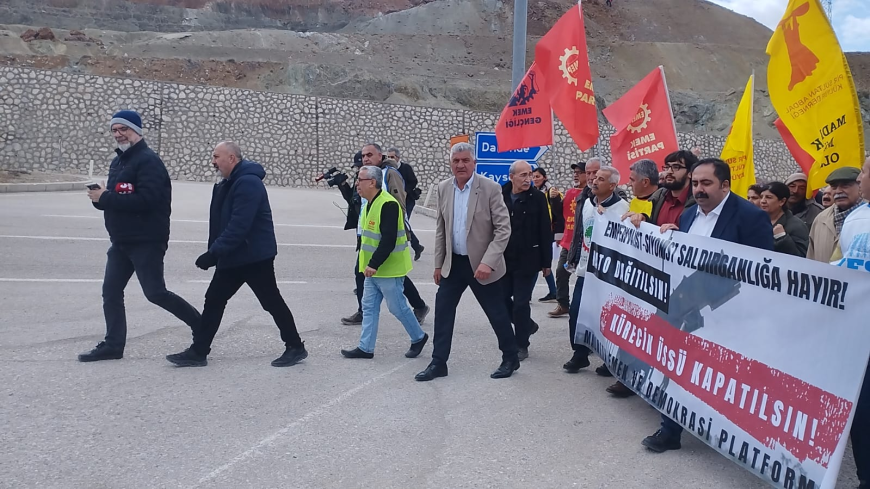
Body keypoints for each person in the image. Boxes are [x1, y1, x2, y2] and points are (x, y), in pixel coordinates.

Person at [643, 158, 773, 453]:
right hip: (688, 307)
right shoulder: (689, 215)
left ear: (725, 185)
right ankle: (669, 429)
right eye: (695, 183)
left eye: (706, 183)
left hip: (728, 312)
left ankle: (725, 432)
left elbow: (763, 270)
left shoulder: (750, 217)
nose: (699, 189)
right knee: (677, 364)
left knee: (720, 374)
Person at [165, 142, 307, 367]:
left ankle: (296, 347)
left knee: (271, 301)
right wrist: (217, 251)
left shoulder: (248, 183)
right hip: (234, 255)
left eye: (216, 157)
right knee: (214, 299)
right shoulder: (229, 182)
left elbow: (239, 225)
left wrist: (213, 253)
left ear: (232, 158)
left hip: (254, 257)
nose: (213, 161)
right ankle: (198, 351)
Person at [79, 110, 201, 362]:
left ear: (137, 130)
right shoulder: (118, 162)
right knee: (111, 292)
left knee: (155, 293)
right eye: (114, 130)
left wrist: (107, 197)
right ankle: (113, 345)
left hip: (146, 240)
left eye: (123, 129)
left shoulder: (148, 161)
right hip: (121, 242)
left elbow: (148, 200)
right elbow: (117, 200)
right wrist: (99, 198)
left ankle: (202, 327)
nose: (118, 134)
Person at [415, 142, 520, 381]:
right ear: (450, 163)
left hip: (482, 265)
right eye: (456, 161)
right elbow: (441, 229)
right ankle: (438, 362)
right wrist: (438, 264)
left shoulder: (490, 188)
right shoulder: (444, 188)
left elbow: (503, 229)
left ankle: (510, 358)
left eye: (465, 160)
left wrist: (488, 262)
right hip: (454, 264)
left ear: (474, 163)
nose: (460, 165)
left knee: (497, 313)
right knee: (443, 312)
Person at [340, 165, 429, 359]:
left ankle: (418, 337)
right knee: (369, 307)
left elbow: (388, 240)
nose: (357, 184)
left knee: (398, 308)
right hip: (371, 269)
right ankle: (365, 348)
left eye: (360, 180)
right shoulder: (369, 203)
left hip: (389, 269)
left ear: (372, 182)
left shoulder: (388, 204)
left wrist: (374, 264)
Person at [562, 165, 629, 373]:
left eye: (600, 179)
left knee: (607, 317)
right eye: (594, 177)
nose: (594, 181)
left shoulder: (622, 208)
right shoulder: (587, 203)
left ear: (612, 185)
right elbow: (580, 233)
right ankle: (580, 354)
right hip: (585, 270)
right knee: (577, 312)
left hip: (608, 274)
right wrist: (574, 257)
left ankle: (609, 360)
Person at [833, 157, 870, 489]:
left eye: (864, 173)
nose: (860, 179)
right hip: (860, 335)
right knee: (863, 413)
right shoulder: (856, 219)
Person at [502, 160, 552, 361]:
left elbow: (545, 230)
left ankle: (521, 343)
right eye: (523, 175)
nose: (528, 179)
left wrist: (546, 262)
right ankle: (528, 325)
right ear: (511, 177)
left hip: (528, 259)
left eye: (530, 174)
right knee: (500, 299)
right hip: (504, 258)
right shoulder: (501, 194)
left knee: (521, 303)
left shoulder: (537, 198)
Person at [549, 162, 586, 317]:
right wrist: (554, 200)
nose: (575, 175)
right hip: (568, 241)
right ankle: (563, 304)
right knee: (561, 272)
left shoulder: (591, 194)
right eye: (574, 172)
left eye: (579, 172)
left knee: (584, 277)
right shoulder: (570, 192)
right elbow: (560, 214)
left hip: (584, 243)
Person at [807, 167, 864, 262]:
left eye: (845, 185)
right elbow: (810, 257)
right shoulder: (820, 219)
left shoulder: (866, 217)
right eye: (834, 187)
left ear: (860, 186)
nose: (838, 191)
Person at [387, 147, 425, 260]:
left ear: (398, 157)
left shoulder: (405, 168)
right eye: (388, 157)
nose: (390, 159)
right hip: (394, 201)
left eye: (392, 157)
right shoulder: (388, 169)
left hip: (407, 201)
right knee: (400, 224)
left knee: (403, 222)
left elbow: (413, 181)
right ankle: (417, 246)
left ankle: (413, 246)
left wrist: (404, 191)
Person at [532, 166, 561, 302]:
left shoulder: (552, 192)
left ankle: (527, 294)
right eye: (533, 176)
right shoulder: (533, 192)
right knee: (540, 263)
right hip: (536, 231)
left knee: (538, 263)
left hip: (548, 232)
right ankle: (553, 292)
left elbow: (559, 213)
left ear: (545, 177)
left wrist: (559, 235)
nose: (535, 179)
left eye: (538, 176)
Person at [759, 181, 809, 257]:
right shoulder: (756, 221)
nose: (763, 201)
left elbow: (801, 257)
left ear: (782, 201)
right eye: (761, 197)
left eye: (768, 197)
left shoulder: (797, 226)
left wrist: (782, 237)